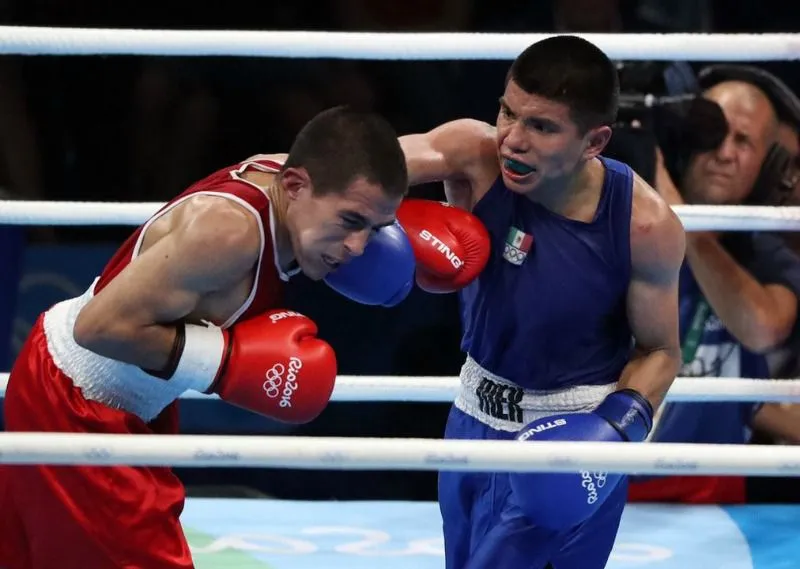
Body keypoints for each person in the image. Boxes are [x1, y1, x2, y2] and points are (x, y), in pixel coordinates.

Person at [0, 105, 483, 569]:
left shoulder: (328, 177)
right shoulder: (228, 233)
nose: (358, 247)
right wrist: (224, 362)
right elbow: (97, 328)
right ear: (294, 186)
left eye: (377, 228)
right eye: (351, 222)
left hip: (129, 396)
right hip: (74, 401)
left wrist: (512, 146)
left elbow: (453, 145)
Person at [395, 35, 686, 569]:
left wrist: (613, 431)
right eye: (508, 112)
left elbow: (661, 351)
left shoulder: (642, 224)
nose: (512, 140)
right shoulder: (476, 156)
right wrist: (263, 181)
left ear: (594, 141)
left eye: (542, 127)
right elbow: (360, 170)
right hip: (472, 418)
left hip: (569, 439)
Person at [627, 66, 800, 505]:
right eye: (713, 132)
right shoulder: (618, 224)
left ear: (768, 165)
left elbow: (763, 328)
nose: (725, 153)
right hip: (594, 479)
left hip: (711, 501)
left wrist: (683, 222)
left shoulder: (765, 253)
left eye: (744, 141)